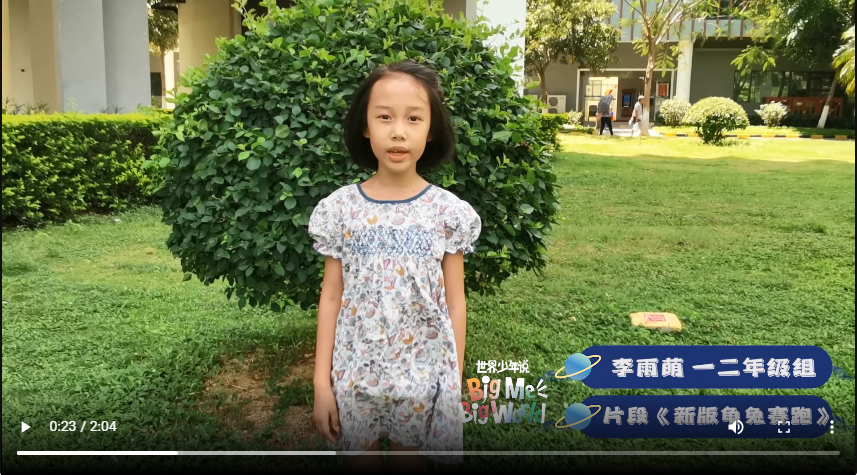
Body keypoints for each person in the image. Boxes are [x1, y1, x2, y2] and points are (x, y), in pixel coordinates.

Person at [308, 60, 481, 472]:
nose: (398, 131)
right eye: (384, 117)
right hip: (354, 373)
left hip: (420, 374)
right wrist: (320, 382)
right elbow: (331, 297)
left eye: (413, 118)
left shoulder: (447, 213)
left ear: (431, 129)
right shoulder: (340, 210)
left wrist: (451, 380)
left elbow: (455, 302)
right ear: (365, 127)